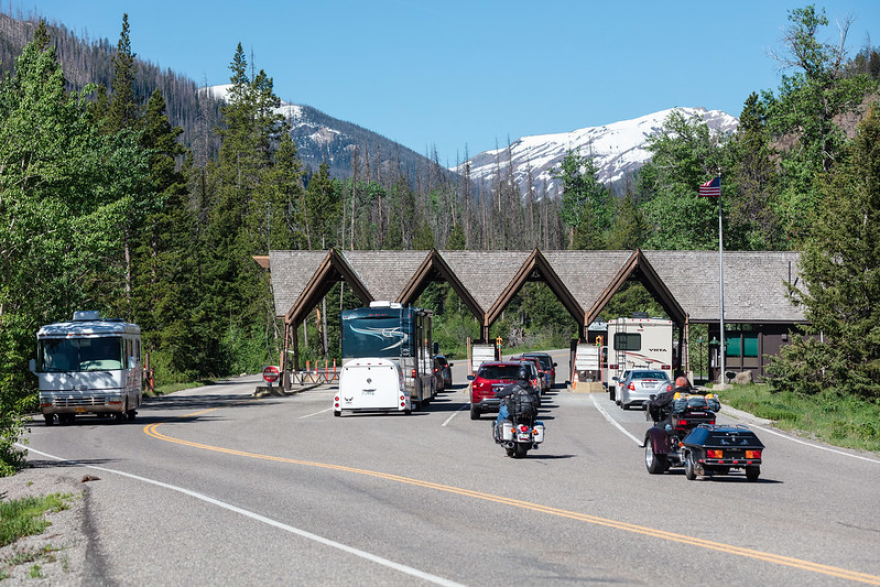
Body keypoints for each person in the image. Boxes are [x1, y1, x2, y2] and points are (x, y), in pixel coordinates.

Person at [493, 366, 539, 440]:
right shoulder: (531, 389)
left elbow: (501, 394)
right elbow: (538, 403)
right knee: (534, 422)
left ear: (518, 376)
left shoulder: (513, 387)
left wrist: (497, 395)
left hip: (515, 414)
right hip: (529, 415)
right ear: (528, 377)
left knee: (502, 409)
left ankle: (497, 431)